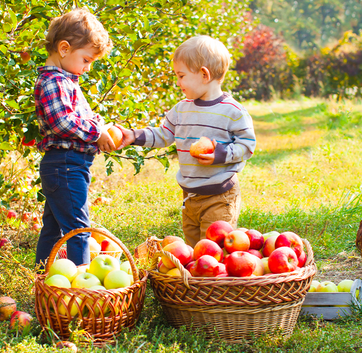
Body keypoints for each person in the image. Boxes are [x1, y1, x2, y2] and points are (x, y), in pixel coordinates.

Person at [116, 35, 256, 247]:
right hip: (190, 196)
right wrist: (134, 136)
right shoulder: (181, 109)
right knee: (193, 253)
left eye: (181, 76)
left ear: (203, 74)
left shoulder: (233, 112)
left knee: (213, 253)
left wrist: (220, 154)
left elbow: (247, 146)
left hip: (220, 195)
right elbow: (163, 134)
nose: (178, 82)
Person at [33, 8, 115, 268]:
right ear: (65, 48)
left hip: (68, 165)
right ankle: (81, 285)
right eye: (86, 60)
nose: (88, 68)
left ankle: (41, 276)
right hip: (64, 164)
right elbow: (63, 123)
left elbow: (81, 116)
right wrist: (97, 132)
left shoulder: (67, 80)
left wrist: (100, 125)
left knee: (54, 227)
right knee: (78, 229)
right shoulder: (53, 82)